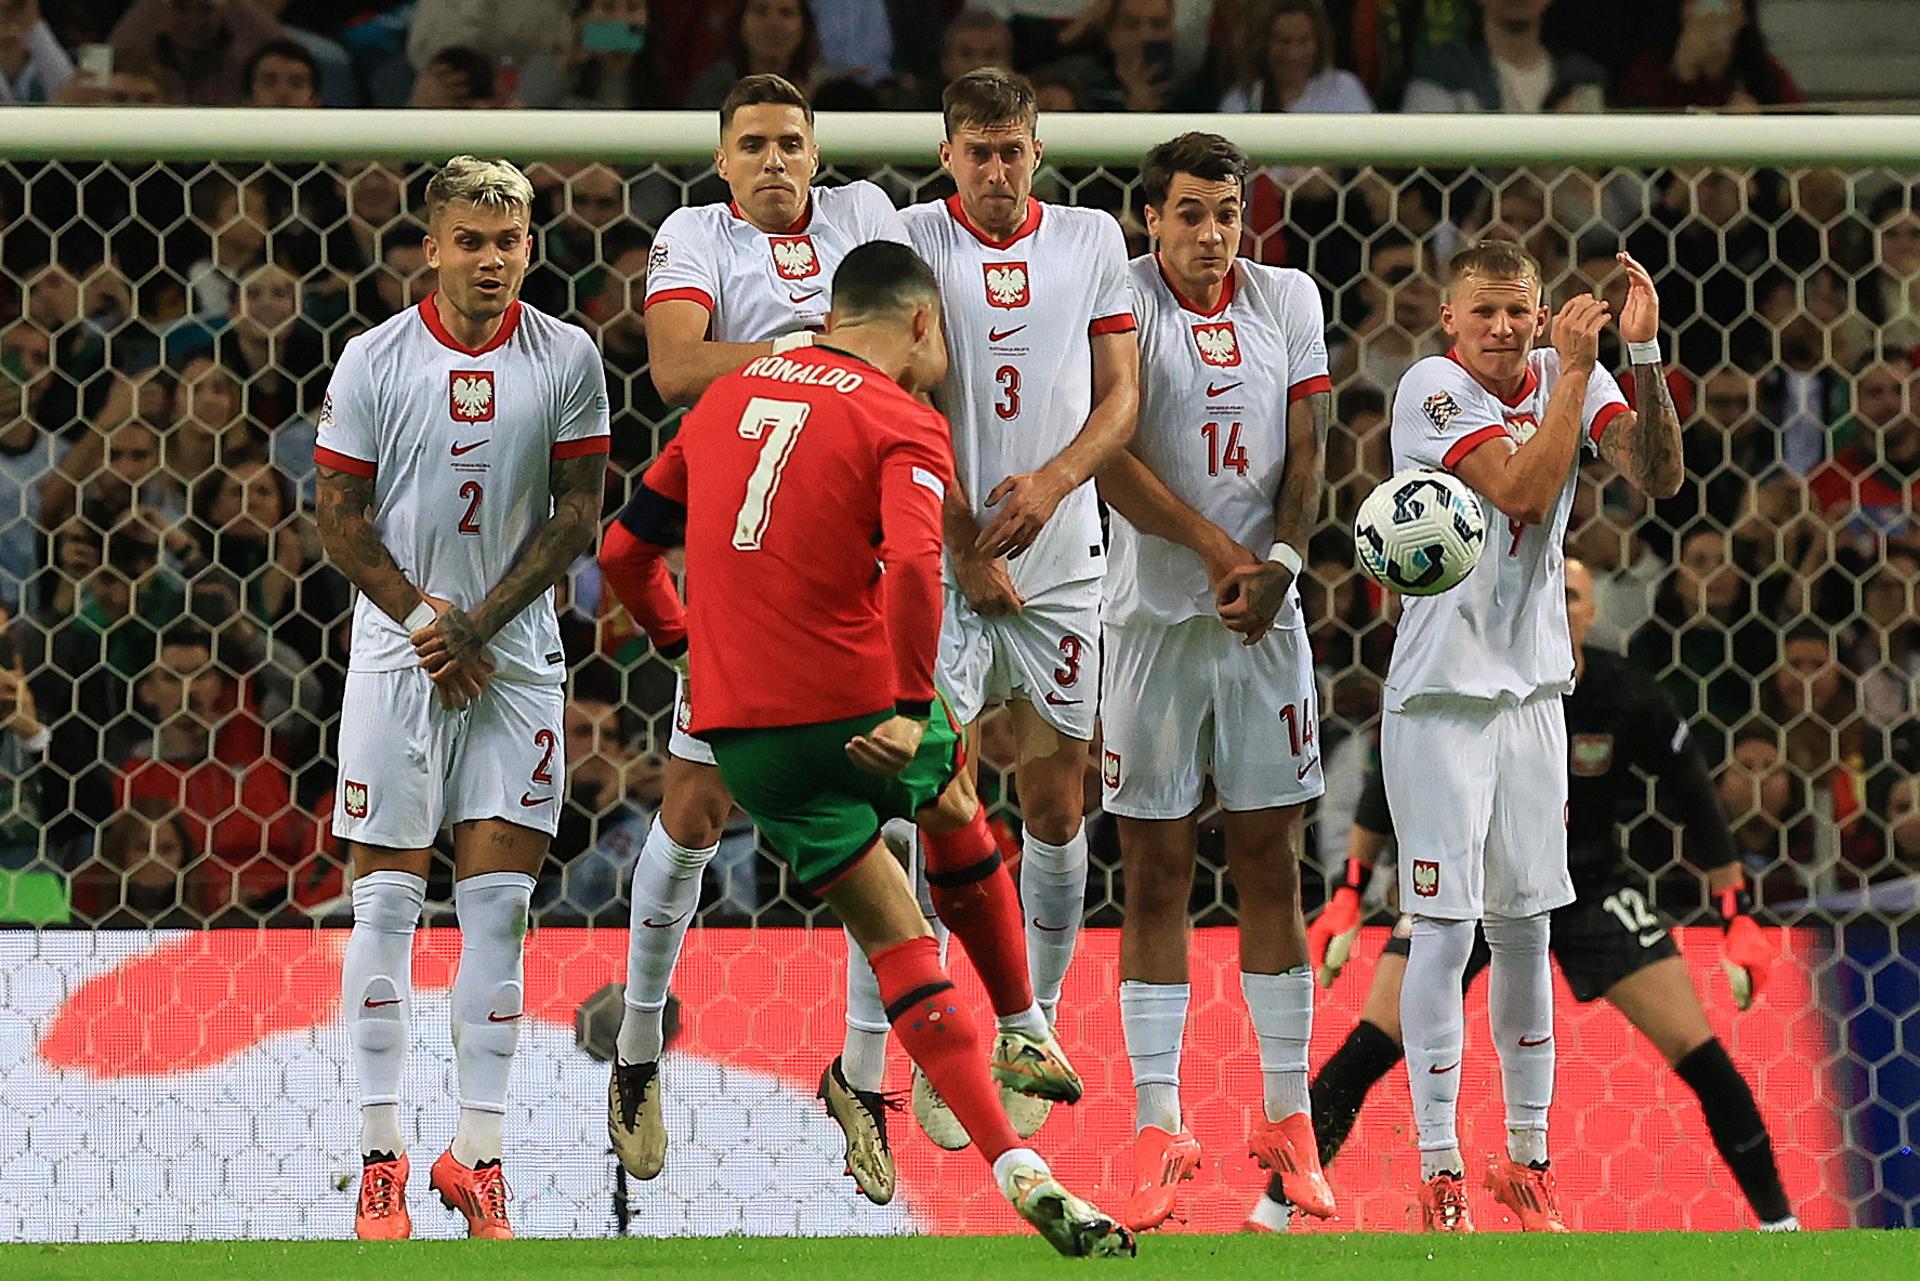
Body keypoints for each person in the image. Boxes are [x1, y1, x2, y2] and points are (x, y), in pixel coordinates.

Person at [603, 238, 1132, 1258]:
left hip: (747, 735)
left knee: (897, 943)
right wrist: (899, 699)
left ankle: (1019, 1169)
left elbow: (625, 551)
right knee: (953, 809)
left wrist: (681, 644)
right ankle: (1023, 1025)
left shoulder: (725, 400)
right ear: (922, 327)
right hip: (852, 698)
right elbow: (913, 569)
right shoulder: (903, 419)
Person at [595, 73, 926, 1204]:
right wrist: (816, 358)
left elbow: (914, 342)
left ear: (817, 152)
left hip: (856, 553)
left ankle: (864, 1077)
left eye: (793, 142)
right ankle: (639, 1051)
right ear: (722, 159)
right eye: (754, 145)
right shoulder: (694, 234)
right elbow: (678, 366)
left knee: (896, 806)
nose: (777, 161)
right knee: (691, 813)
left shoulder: (866, 216)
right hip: (740, 562)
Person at [1253, 557, 1796, 1233]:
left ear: (1593, 611)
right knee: (1370, 1044)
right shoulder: (1476, 677)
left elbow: (1696, 796)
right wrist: (1350, 891)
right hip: (1470, 889)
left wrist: (1734, 914)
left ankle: (1781, 1227)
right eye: (1553, 591)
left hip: (1590, 886)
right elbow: (1392, 778)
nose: (1561, 604)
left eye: (1573, 595)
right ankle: (1270, 1212)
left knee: (1702, 1053)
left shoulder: (1625, 693)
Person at [314, 155, 611, 1241]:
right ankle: (380, 1154)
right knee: (385, 906)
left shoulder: (569, 355)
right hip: (400, 657)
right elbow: (338, 516)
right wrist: (431, 622)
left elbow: (579, 511)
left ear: (530, 245)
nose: (493, 261)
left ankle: (477, 1155)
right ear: (430, 246)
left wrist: (479, 624)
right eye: (471, 242)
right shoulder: (375, 358)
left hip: (517, 658)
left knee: (499, 911)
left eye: (511, 241)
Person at [1378, 239, 1682, 1231]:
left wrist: (1636, 360)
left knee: (1525, 927)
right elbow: (1519, 490)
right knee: (1444, 926)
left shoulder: (1566, 373)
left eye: (1520, 312)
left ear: (1541, 307)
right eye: (1485, 313)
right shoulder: (1431, 387)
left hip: (1533, 694)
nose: (1506, 330)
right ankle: (1438, 1168)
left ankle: (1527, 1160)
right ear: (1448, 317)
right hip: (1440, 702)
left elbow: (1658, 477)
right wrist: (1581, 375)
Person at [1098, 131, 1336, 1231]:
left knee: (1269, 866)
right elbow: (1106, 450)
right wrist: (1212, 549)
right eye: (1188, 213)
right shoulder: (1118, 295)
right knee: (1153, 876)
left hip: (1264, 626)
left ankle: (1287, 1123)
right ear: (1152, 217)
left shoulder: (1287, 297)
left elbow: (1312, 444)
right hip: (1151, 626)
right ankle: (1159, 1125)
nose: (1209, 234)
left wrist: (1280, 564)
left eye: (1226, 213)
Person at [900, 66, 1138, 1144]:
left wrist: (1051, 483)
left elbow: (1122, 393)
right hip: (942, 558)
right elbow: (893, 393)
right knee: (935, 792)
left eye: (1013, 150)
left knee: (1055, 797)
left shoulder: (1091, 239)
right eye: (976, 150)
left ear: (1038, 150)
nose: (996, 169)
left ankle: (1030, 1034)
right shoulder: (910, 238)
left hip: (1063, 557)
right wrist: (957, 537)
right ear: (946, 152)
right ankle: (937, 1040)